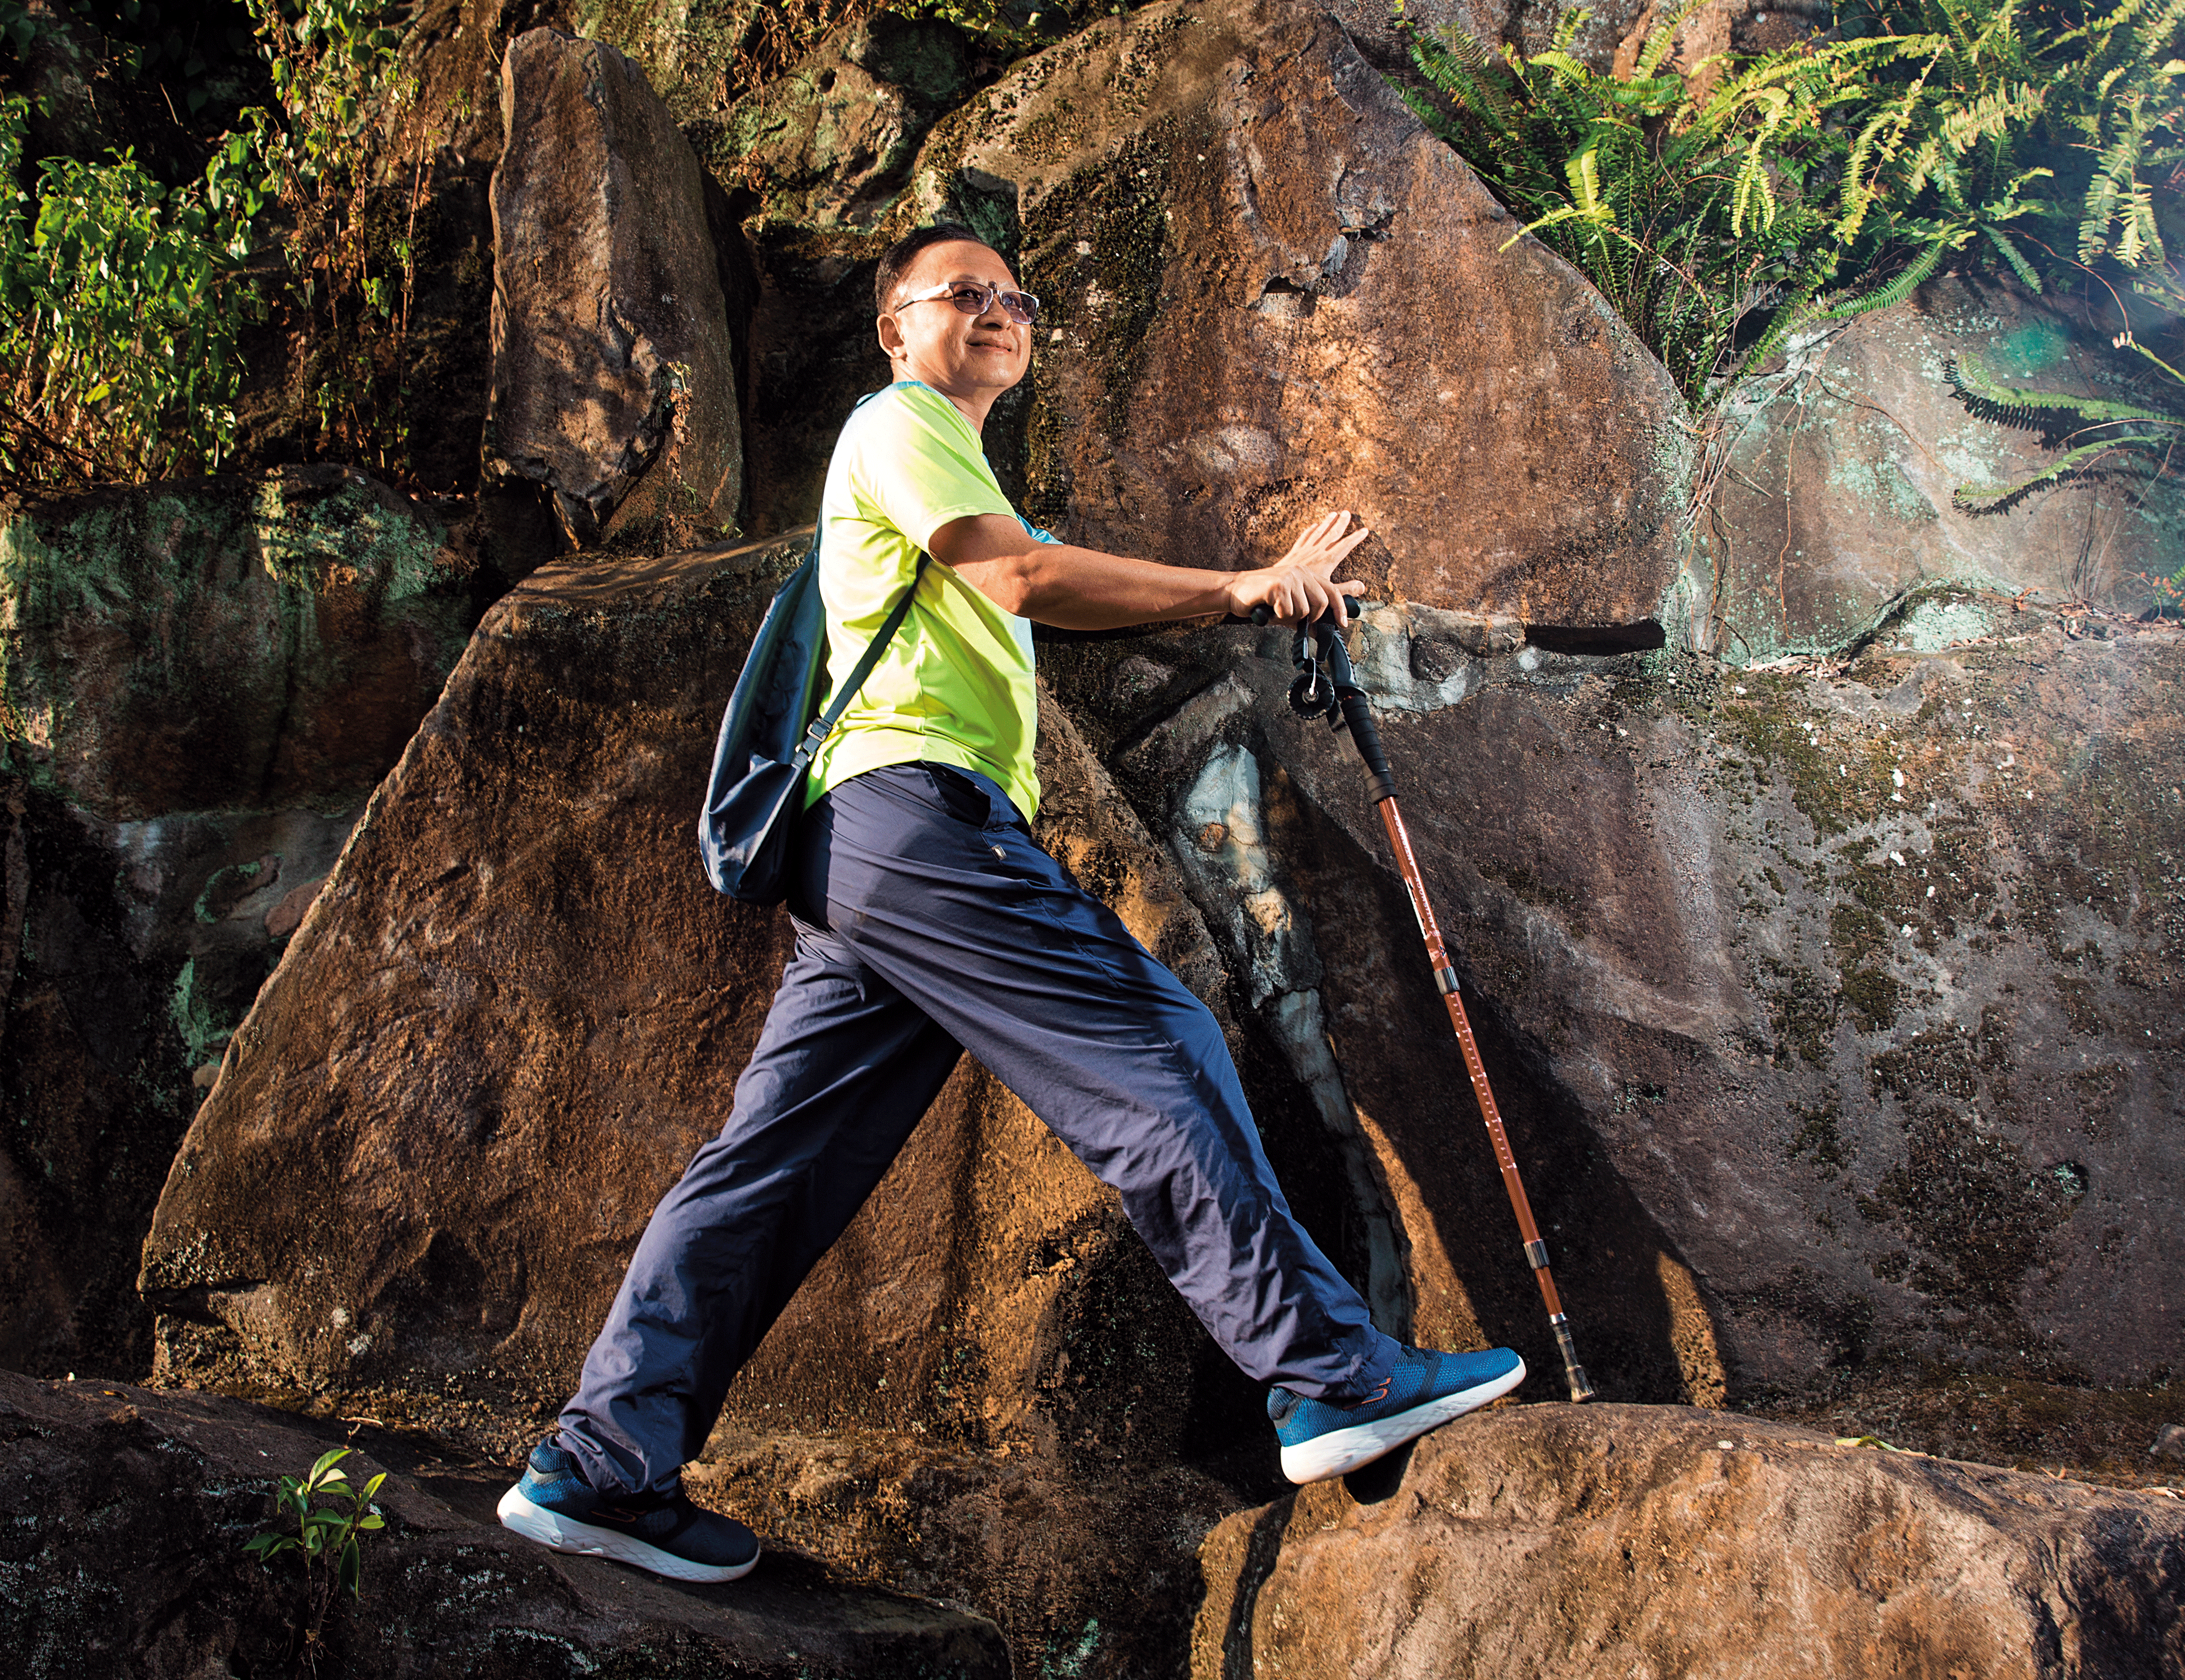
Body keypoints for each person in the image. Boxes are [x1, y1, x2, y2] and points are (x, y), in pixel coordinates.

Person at [496, 224, 1524, 1583]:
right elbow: (1023, 578)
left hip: (862, 857)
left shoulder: (954, 467)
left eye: (1015, 300)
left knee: (776, 1166)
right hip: (916, 825)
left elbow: (1054, 576)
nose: (996, 314)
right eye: (960, 296)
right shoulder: (900, 424)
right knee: (1157, 1053)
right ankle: (1326, 1373)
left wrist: (1267, 593)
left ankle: (601, 1466)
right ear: (893, 330)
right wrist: (1242, 583)